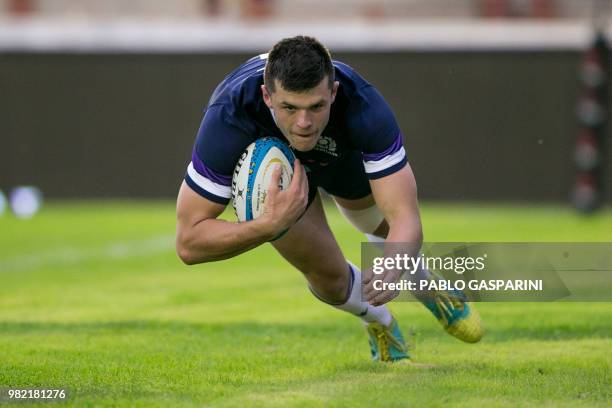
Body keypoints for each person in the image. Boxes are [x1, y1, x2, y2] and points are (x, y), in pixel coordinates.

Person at [176, 35, 483, 363]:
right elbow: (189, 243)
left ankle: (426, 286)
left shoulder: (363, 105)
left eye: (316, 106)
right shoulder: (231, 116)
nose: (304, 123)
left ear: (333, 92)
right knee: (329, 282)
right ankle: (380, 321)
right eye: (289, 108)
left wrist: (394, 267)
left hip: (341, 158)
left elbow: (405, 218)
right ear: (267, 96)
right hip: (278, 176)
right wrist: (268, 226)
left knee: (383, 231)